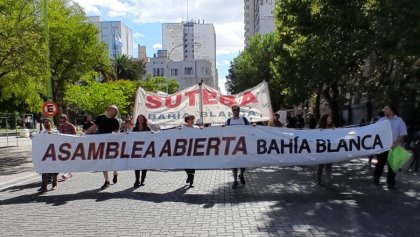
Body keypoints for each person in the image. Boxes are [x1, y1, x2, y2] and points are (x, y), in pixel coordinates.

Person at [85, 105, 120, 190]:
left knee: (113, 160)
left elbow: (117, 133)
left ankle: (115, 173)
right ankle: (107, 181)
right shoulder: (100, 118)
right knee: (103, 162)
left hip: (111, 144)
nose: (113, 112)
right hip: (101, 143)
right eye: (112, 110)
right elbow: (93, 127)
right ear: (108, 109)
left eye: (115, 111)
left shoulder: (115, 121)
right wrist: (85, 135)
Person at [373, 104, 407, 189]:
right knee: (380, 164)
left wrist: (396, 143)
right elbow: (373, 131)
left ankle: (391, 183)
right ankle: (376, 179)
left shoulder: (399, 121)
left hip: (394, 147)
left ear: (392, 110)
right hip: (382, 147)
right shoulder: (381, 120)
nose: (384, 110)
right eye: (384, 109)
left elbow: (402, 133)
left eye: (386, 109)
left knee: (392, 165)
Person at [225, 105, 251, 189]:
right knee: (234, 163)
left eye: (237, 110)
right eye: (234, 110)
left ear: (239, 111)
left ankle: (241, 174)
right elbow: (224, 131)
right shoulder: (229, 121)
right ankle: (235, 180)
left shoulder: (244, 120)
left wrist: (254, 127)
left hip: (243, 144)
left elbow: (250, 129)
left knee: (244, 162)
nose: (235, 111)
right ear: (232, 111)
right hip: (233, 145)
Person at [38, 118, 59, 192]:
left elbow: (59, 140)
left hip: (54, 153)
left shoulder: (55, 131)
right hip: (44, 153)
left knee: (54, 169)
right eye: (44, 123)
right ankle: (44, 186)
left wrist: (52, 135)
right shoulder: (41, 132)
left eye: (47, 122)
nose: (46, 124)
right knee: (44, 169)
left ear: (51, 123)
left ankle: (54, 184)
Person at [132, 114, 151, 187]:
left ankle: (143, 179)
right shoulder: (135, 129)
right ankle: (137, 180)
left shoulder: (147, 128)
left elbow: (150, 138)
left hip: (145, 149)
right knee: (137, 165)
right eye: (138, 118)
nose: (140, 120)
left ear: (144, 120)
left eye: (141, 118)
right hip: (137, 150)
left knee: (144, 165)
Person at [316, 114, 335, 184]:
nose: (330, 120)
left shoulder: (332, 127)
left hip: (330, 149)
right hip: (321, 150)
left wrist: (334, 131)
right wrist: (319, 131)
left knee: (329, 165)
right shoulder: (319, 127)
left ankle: (328, 179)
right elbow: (314, 136)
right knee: (320, 165)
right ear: (325, 119)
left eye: (330, 119)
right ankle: (318, 178)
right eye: (328, 119)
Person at [57, 114, 77, 180]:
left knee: (69, 159)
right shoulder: (59, 126)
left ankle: (67, 173)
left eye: (63, 121)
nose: (62, 123)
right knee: (64, 159)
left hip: (70, 145)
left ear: (66, 120)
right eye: (61, 122)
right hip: (62, 146)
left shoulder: (71, 126)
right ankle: (69, 172)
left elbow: (75, 136)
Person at [184, 115, 198, 188]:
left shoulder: (196, 128)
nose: (192, 120)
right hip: (185, 150)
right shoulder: (183, 129)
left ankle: (191, 181)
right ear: (187, 120)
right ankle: (189, 176)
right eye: (191, 119)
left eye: (193, 119)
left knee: (192, 165)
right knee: (185, 165)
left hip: (193, 150)